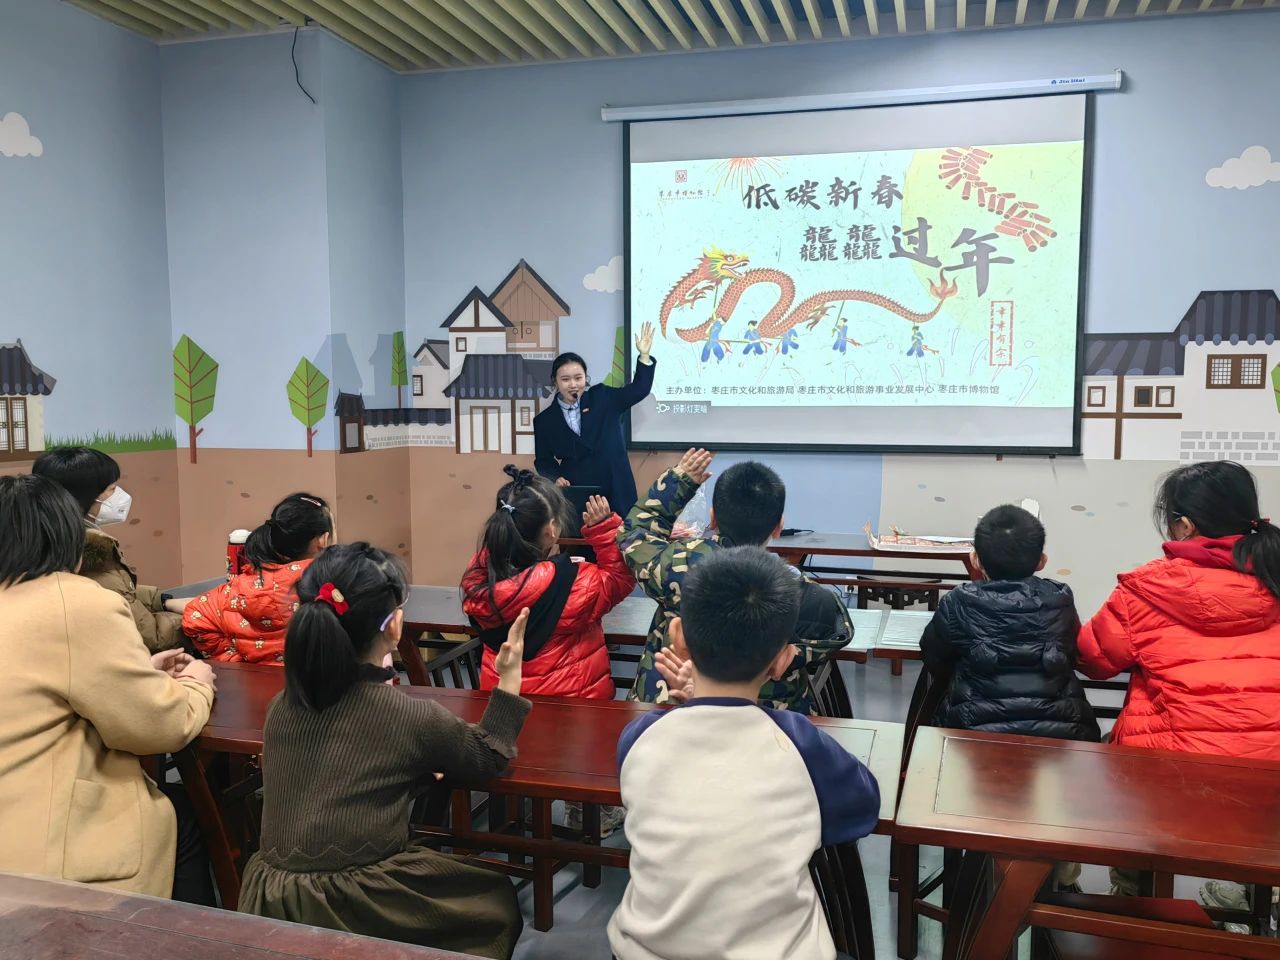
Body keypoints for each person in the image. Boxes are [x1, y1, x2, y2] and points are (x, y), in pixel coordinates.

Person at [239, 543, 531, 960]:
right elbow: (488, 758)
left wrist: (409, 774)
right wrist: (510, 677)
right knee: (492, 902)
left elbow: (340, 775)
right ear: (394, 626)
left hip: (268, 897)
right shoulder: (408, 716)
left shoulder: (282, 706)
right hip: (352, 902)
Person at [607, 547, 880, 960]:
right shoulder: (799, 743)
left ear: (678, 636)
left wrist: (692, 705)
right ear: (783, 660)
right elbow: (862, 809)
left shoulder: (638, 737)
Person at [0, 474, 217, 903]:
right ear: (69, 539)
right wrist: (197, 684)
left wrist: (138, 671)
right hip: (48, 851)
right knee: (183, 816)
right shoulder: (75, 600)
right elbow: (156, 726)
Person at [1077, 460, 1280, 907]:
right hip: (1270, 790)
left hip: (1172, 788)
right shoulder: (1275, 578)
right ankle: (1256, 903)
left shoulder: (1147, 587)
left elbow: (1094, 660)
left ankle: (1135, 897)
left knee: (1110, 756)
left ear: (1184, 526)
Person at [619, 448, 853, 712]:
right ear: (778, 526)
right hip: (767, 724)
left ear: (712, 518)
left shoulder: (676, 565)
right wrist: (796, 654)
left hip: (669, 715)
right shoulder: (799, 594)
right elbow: (835, 630)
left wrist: (679, 481)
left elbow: (634, 533)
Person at [921, 504, 1100, 742]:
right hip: (1064, 733)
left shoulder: (958, 602)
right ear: (1042, 561)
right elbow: (1071, 652)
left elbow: (934, 656)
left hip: (972, 733)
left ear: (975, 560)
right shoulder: (1060, 599)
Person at [461, 465, 634, 701]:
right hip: (574, 709)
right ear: (552, 530)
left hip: (502, 709)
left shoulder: (480, 578)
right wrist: (603, 530)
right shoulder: (574, 581)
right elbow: (619, 578)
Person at [33, 447, 187, 652]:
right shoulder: (87, 551)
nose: (120, 495)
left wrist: (164, 601)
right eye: (111, 489)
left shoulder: (42, 536)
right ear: (83, 497)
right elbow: (147, 636)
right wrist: (199, 618)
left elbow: (119, 592)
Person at [183, 493, 333, 664]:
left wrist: (234, 662)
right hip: (314, 679)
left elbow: (196, 616)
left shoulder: (242, 586)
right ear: (323, 540)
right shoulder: (330, 581)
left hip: (257, 680)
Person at [533, 322, 655, 516]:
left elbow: (639, 389)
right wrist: (555, 477)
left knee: (621, 534)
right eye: (565, 379)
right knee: (581, 535)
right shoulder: (544, 421)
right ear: (555, 381)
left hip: (615, 486)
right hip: (577, 492)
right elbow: (543, 461)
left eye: (578, 378)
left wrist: (645, 357)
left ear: (585, 378)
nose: (573, 384)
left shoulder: (603, 398)